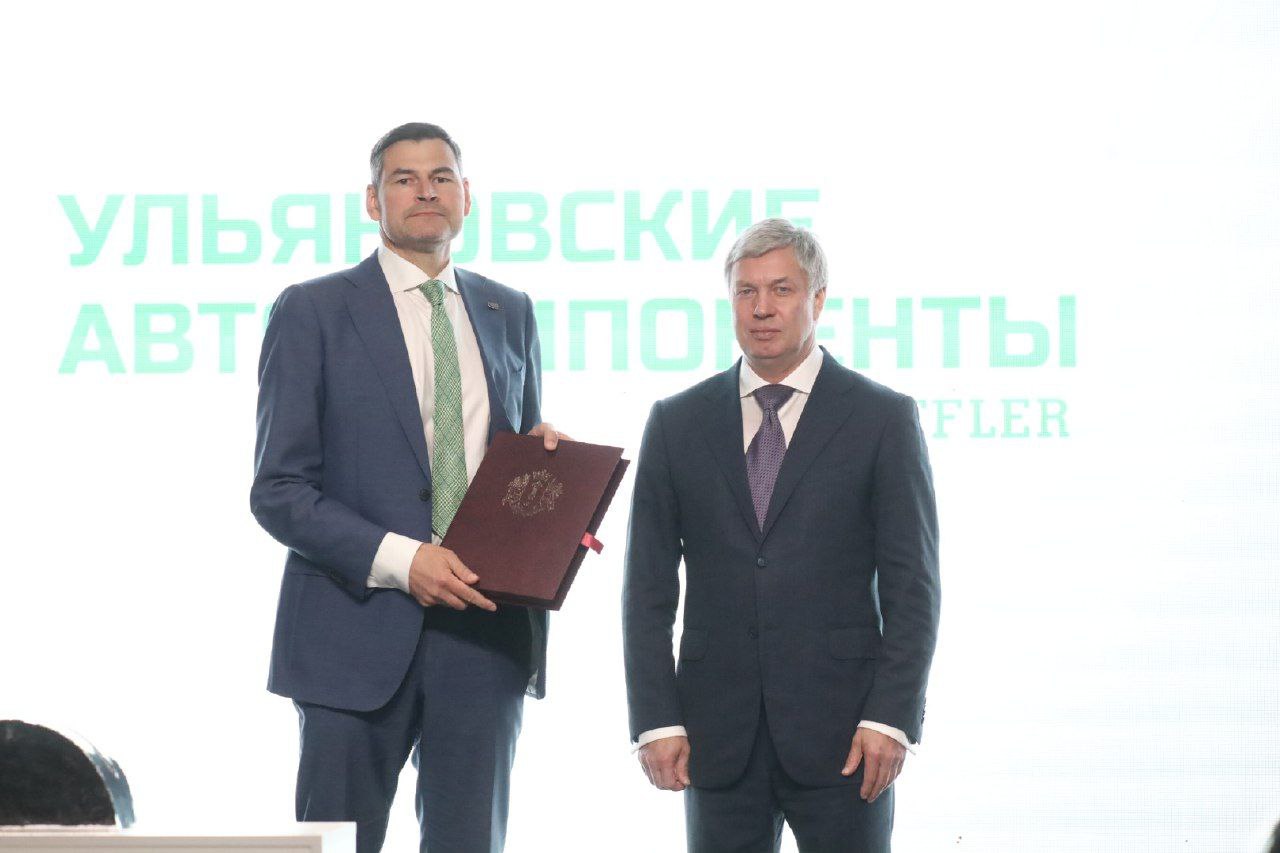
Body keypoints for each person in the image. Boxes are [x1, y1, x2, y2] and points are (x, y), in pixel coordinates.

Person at [251, 122, 562, 853]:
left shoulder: (509, 309)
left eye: (441, 177)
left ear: (467, 197)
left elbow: (513, 457)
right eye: (404, 178)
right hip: (350, 633)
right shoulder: (312, 309)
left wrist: (547, 467)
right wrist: (403, 559)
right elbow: (279, 489)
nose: (426, 191)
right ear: (373, 200)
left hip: (484, 633)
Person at [622, 218, 941, 852]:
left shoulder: (882, 418)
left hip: (848, 736)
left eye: (782, 289)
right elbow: (646, 590)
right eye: (746, 291)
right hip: (716, 736)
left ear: (817, 298)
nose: (762, 308)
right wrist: (656, 719)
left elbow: (914, 588)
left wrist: (891, 718)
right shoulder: (676, 422)